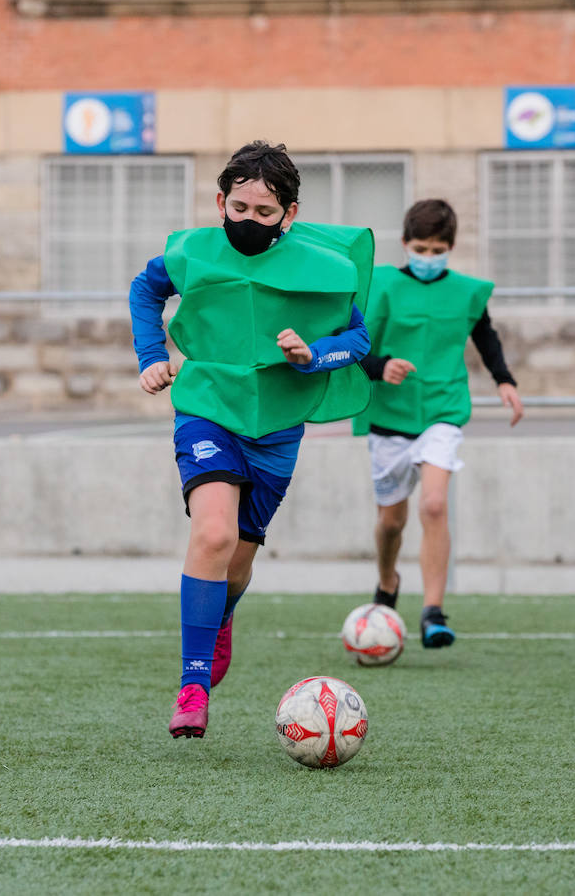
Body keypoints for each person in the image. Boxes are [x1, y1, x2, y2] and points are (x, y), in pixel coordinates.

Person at [129, 141, 372, 738]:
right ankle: (191, 687)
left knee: (237, 561)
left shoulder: (322, 268)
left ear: (289, 214)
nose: (249, 222)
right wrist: (152, 355)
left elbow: (359, 342)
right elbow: (145, 289)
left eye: (265, 214)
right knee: (211, 533)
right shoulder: (191, 253)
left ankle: (223, 613)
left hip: (277, 430)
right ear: (221, 201)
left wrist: (314, 355)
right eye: (239, 208)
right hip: (207, 408)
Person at [355, 199, 523, 647]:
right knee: (391, 522)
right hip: (389, 415)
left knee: (433, 504)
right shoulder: (382, 285)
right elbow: (355, 346)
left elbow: (484, 336)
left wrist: (505, 381)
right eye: (420, 248)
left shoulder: (467, 292)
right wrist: (380, 365)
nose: (428, 257)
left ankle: (433, 611)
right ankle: (388, 581)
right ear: (405, 244)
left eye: (436, 249)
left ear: (450, 247)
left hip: (443, 411)